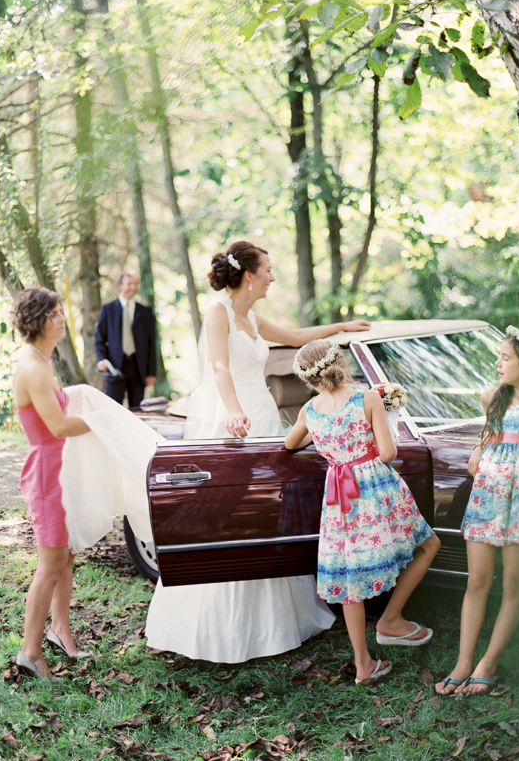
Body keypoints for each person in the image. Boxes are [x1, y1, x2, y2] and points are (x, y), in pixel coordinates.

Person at [145, 240, 371, 663]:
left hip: (263, 416)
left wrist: (342, 329)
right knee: (229, 514)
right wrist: (233, 410)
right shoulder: (219, 312)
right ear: (249, 274)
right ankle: (216, 627)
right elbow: (219, 366)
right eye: (268, 268)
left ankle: (275, 620)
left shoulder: (251, 317)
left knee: (266, 511)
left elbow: (296, 337)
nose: (272, 275)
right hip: (231, 417)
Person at [286, 340, 440, 684]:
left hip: (339, 497)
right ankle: (391, 620)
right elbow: (387, 452)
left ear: (308, 379)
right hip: (376, 490)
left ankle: (363, 664)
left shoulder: (309, 411)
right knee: (428, 545)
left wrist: (325, 441)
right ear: (340, 362)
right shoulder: (367, 398)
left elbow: (290, 443)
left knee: (348, 576)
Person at [435, 326, 519, 696]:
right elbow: (484, 442)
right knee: (477, 581)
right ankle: (464, 661)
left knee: (514, 585)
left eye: (506, 357)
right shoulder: (492, 398)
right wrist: (479, 449)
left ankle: (489, 662)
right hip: (488, 498)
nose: (498, 363)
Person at [12, 287, 92, 680]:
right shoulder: (31, 367)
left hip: (60, 469)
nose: (62, 319)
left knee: (67, 555)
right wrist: (105, 420)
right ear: (41, 319)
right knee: (49, 566)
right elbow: (57, 426)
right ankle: (30, 652)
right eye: (57, 313)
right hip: (46, 474)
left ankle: (61, 631)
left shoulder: (43, 358)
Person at [95, 272, 157, 408]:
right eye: (129, 284)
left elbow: (152, 343)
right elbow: (99, 338)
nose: (133, 287)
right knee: (113, 409)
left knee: (137, 411)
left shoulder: (145, 311)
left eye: (135, 284)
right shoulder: (108, 309)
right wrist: (101, 360)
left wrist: (151, 372)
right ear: (120, 286)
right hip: (115, 366)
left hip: (138, 367)